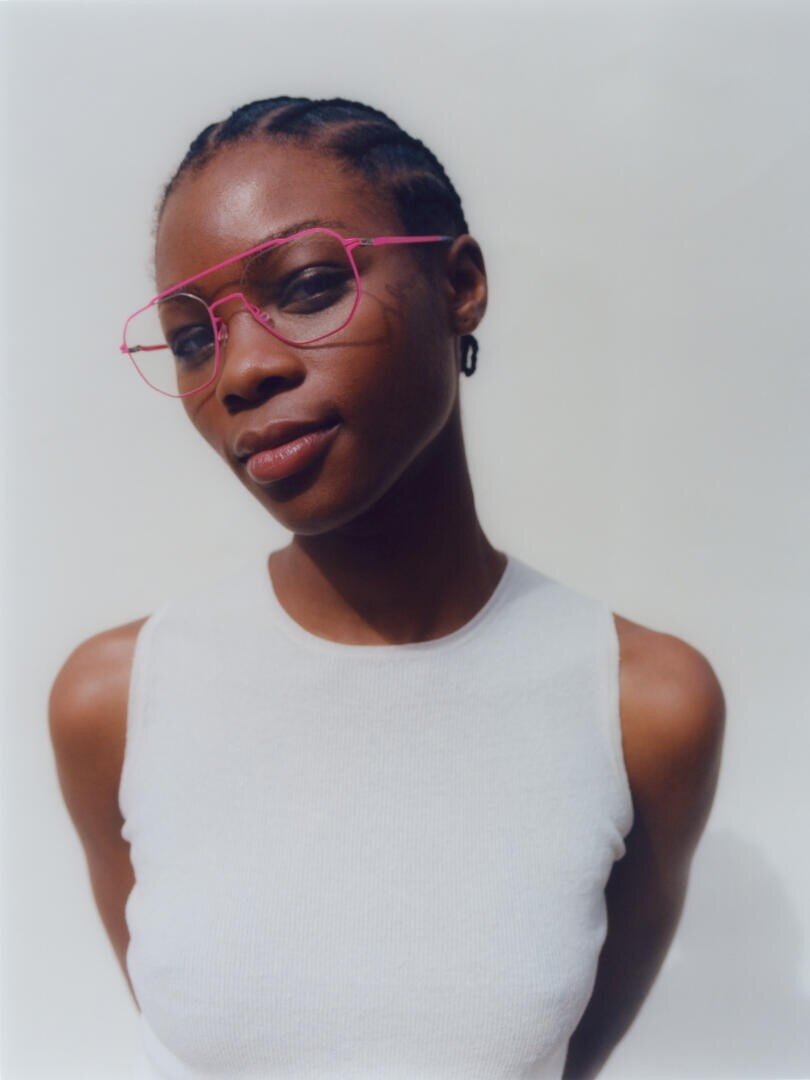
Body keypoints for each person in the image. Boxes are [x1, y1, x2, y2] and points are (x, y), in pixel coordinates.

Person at [48, 96, 726, 1079]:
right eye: (192, 338)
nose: (240, 370)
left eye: (311, 284)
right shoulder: (115, 703)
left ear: (460, 283)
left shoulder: (643, 707)